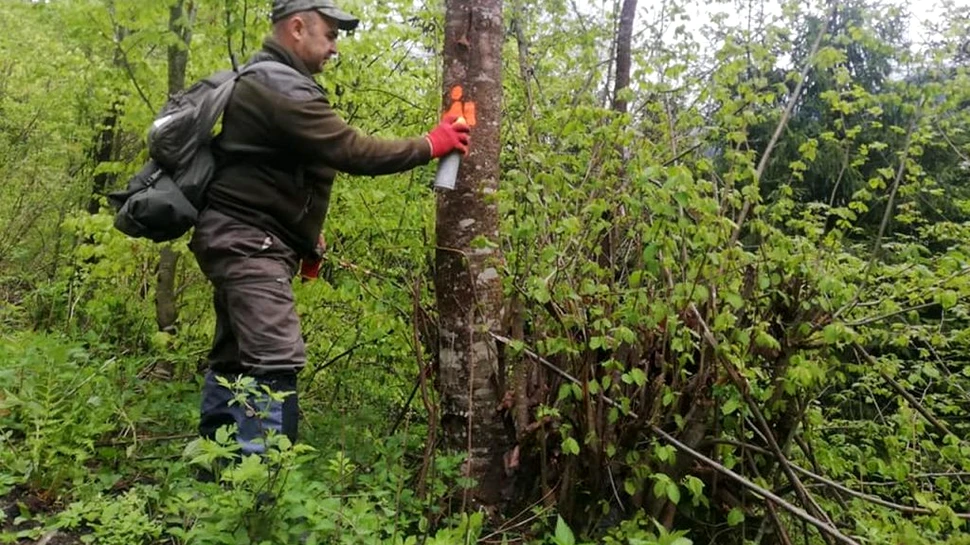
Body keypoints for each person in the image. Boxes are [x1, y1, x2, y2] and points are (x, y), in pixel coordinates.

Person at [190, 0, 470, 455]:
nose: (335, 48)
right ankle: (262, 490)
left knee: (234, 358)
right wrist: (430, 144)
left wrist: (301, 233)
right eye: (331, 35)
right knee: (274, 360)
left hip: (240, 236)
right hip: (248, 244)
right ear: (297, 28)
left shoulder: (264, 79)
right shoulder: (282, 89)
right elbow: (352, 151)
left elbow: (264, 174)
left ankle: (215, 470)